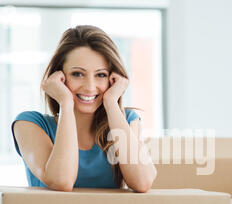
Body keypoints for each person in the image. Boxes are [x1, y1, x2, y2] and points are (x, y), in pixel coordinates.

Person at [12, 25, 157, 192]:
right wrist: (66, 103)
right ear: (59, 77)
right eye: (77, 74)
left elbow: (143, 182)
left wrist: (111, 102)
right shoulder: (29, 124)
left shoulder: (126, 120)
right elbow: (62, 181)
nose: (90, 87)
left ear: (112, 79)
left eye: (101, 75)